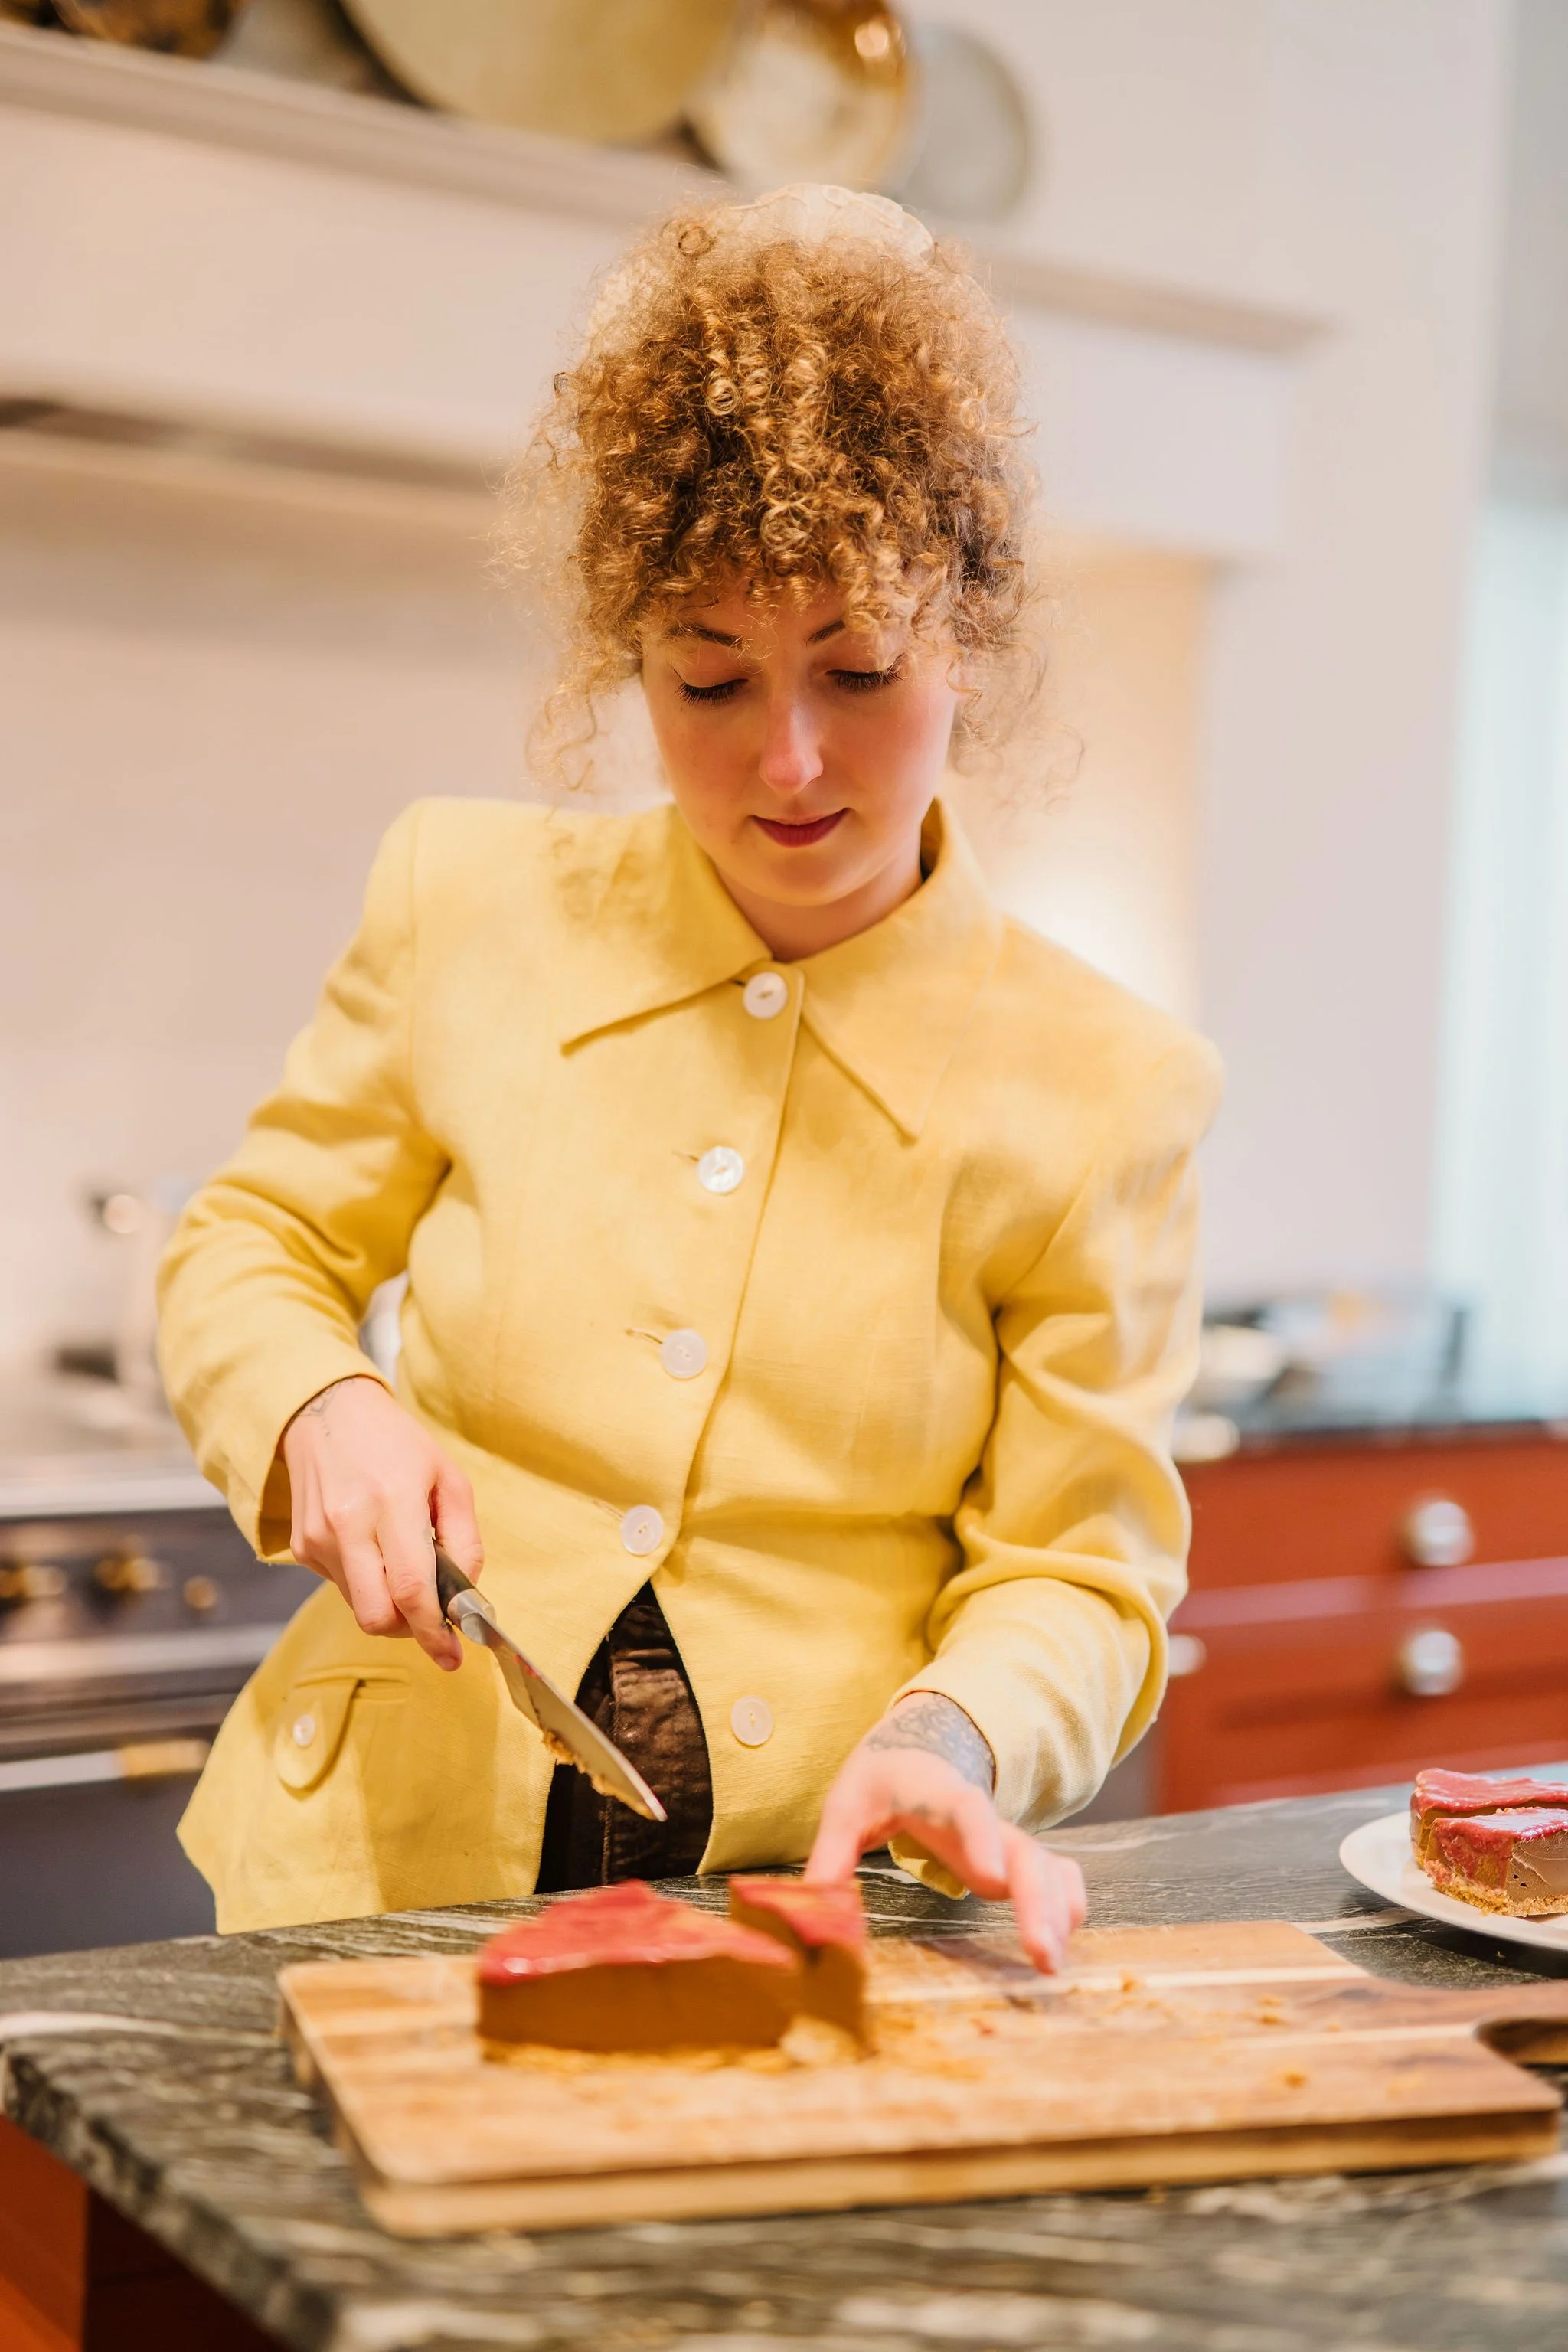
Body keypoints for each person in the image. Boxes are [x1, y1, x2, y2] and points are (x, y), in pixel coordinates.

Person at [158, 184, 1221, 1967]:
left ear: (965, 641)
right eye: (706, 676)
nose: (786, 758)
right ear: (624, 653)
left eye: (858, 669)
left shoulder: (1106, 1084)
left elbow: (1080, 1574)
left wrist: (951, 1738)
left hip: (802, 1910)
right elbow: (252, 1240)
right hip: (366, 1876)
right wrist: (314, 1403)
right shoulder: (464, 900)